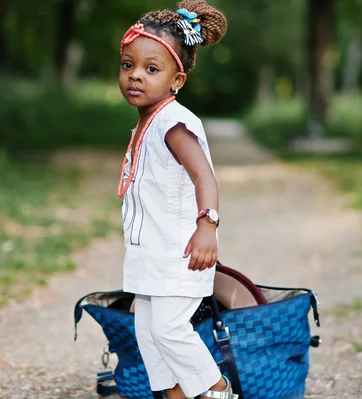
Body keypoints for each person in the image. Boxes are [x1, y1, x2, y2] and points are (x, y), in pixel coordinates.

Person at [117, 1, 235, 398]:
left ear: (176, 80)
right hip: (151, 252)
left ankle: (217, 389)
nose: (136, 75)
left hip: (179, 252)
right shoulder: (147, 122)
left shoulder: (173, 122)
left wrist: (208, 224)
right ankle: (176, 394)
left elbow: (204, 174)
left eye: (151, 69)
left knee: (168, 329)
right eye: (127, 64)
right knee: (148, 332)